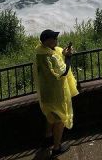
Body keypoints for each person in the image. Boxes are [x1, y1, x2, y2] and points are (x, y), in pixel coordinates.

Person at [35, 29, 78, 157]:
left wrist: (62, 53)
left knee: (50, 115)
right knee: (60, 120)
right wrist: (68, 57)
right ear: (47, 41)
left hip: (46, 92)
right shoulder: (51, 56)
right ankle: (57, 147)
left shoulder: (39, 52)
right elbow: (63, 72)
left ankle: (47, 138)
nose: (57, 41)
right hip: (56, 93)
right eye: (54, 39)